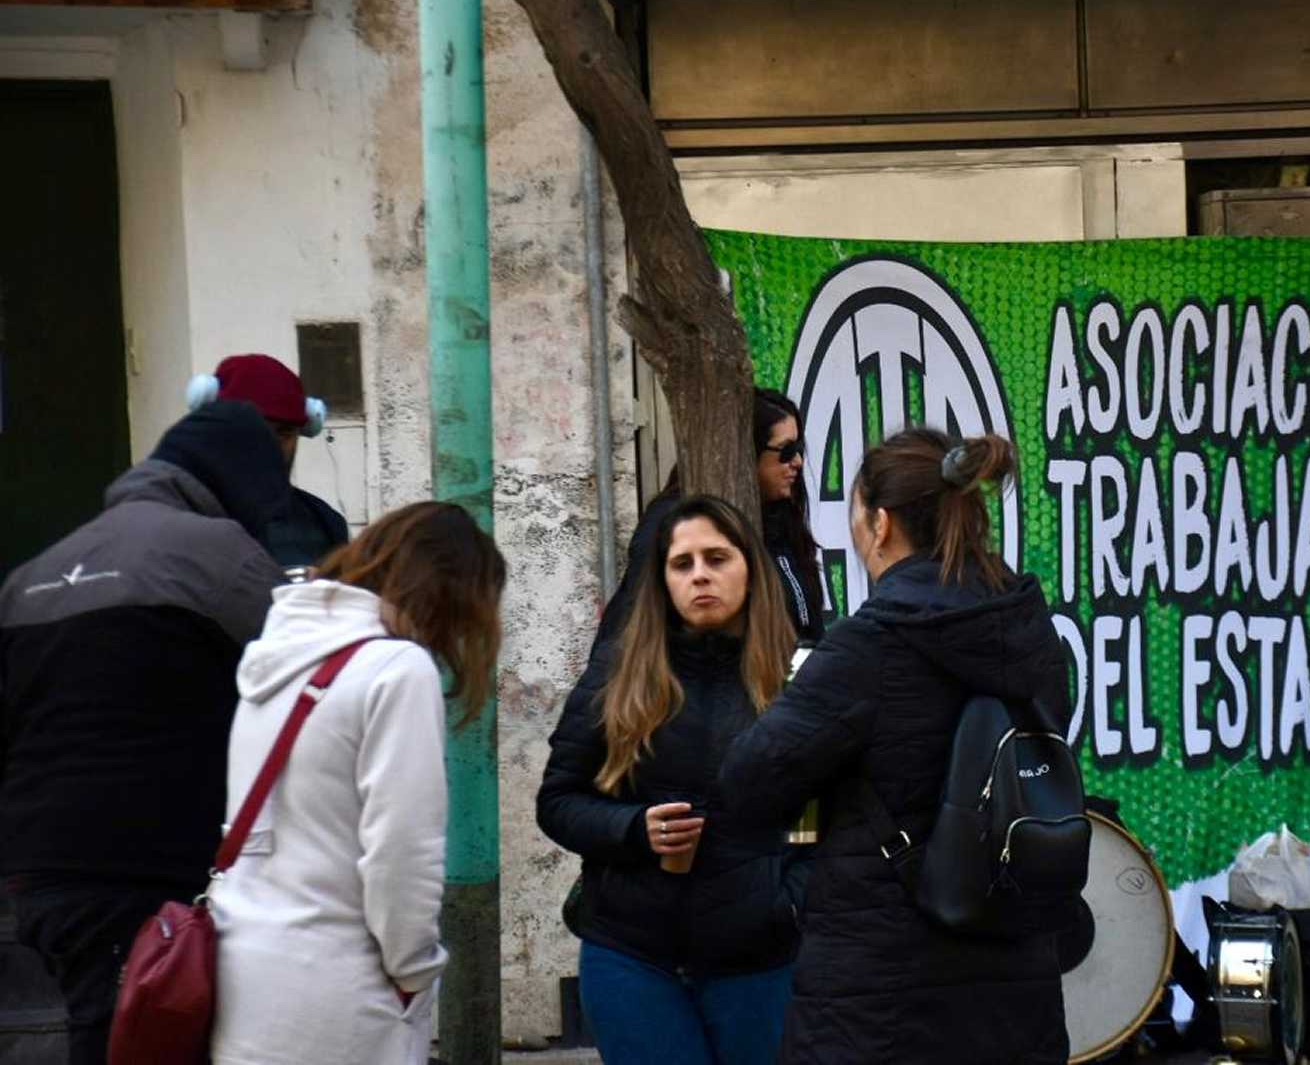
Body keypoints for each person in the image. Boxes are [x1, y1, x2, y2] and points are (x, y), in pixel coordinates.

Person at [717, 429, 1072, 1065]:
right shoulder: (1032, 635)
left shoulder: (869, 646)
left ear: (880, 525)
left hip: (879, 994)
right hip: (1018, 979)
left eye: (855, 512)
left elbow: (748, 780)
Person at [0, 401, 289, 1065]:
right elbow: (304, 681)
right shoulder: (222, 555)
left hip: (40, 868)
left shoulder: (32, 574)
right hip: (149, 865)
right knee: (140, 1041)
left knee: (104, 1028)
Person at [208, 501, 506, 1065]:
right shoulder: (397, 669)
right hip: (340, 989)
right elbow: (402, 851)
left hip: (241, 976)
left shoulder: (275, 659)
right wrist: (414, 974)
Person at [538, 494, 807, 1065]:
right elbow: (559, 801)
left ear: (750, 567)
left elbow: (824, 820)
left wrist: (785, 904)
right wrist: (635, 829)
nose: (701, 576)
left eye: (717, 558)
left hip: (760, 960)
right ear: (661, 580)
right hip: (632, 956)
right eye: (682, 564)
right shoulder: (617, 673)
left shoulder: (798, 676)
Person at [592, 389, 825, 649]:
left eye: (799, 448)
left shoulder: (779, 520)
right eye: (786, 450)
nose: (797, 461)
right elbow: (636, 630)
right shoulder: (672, 523)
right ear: (747, 450)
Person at [188, 352, 350, 571]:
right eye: (254, 428)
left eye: (284, 433)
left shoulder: (325, 522)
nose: (270, 446)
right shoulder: (180, 516)